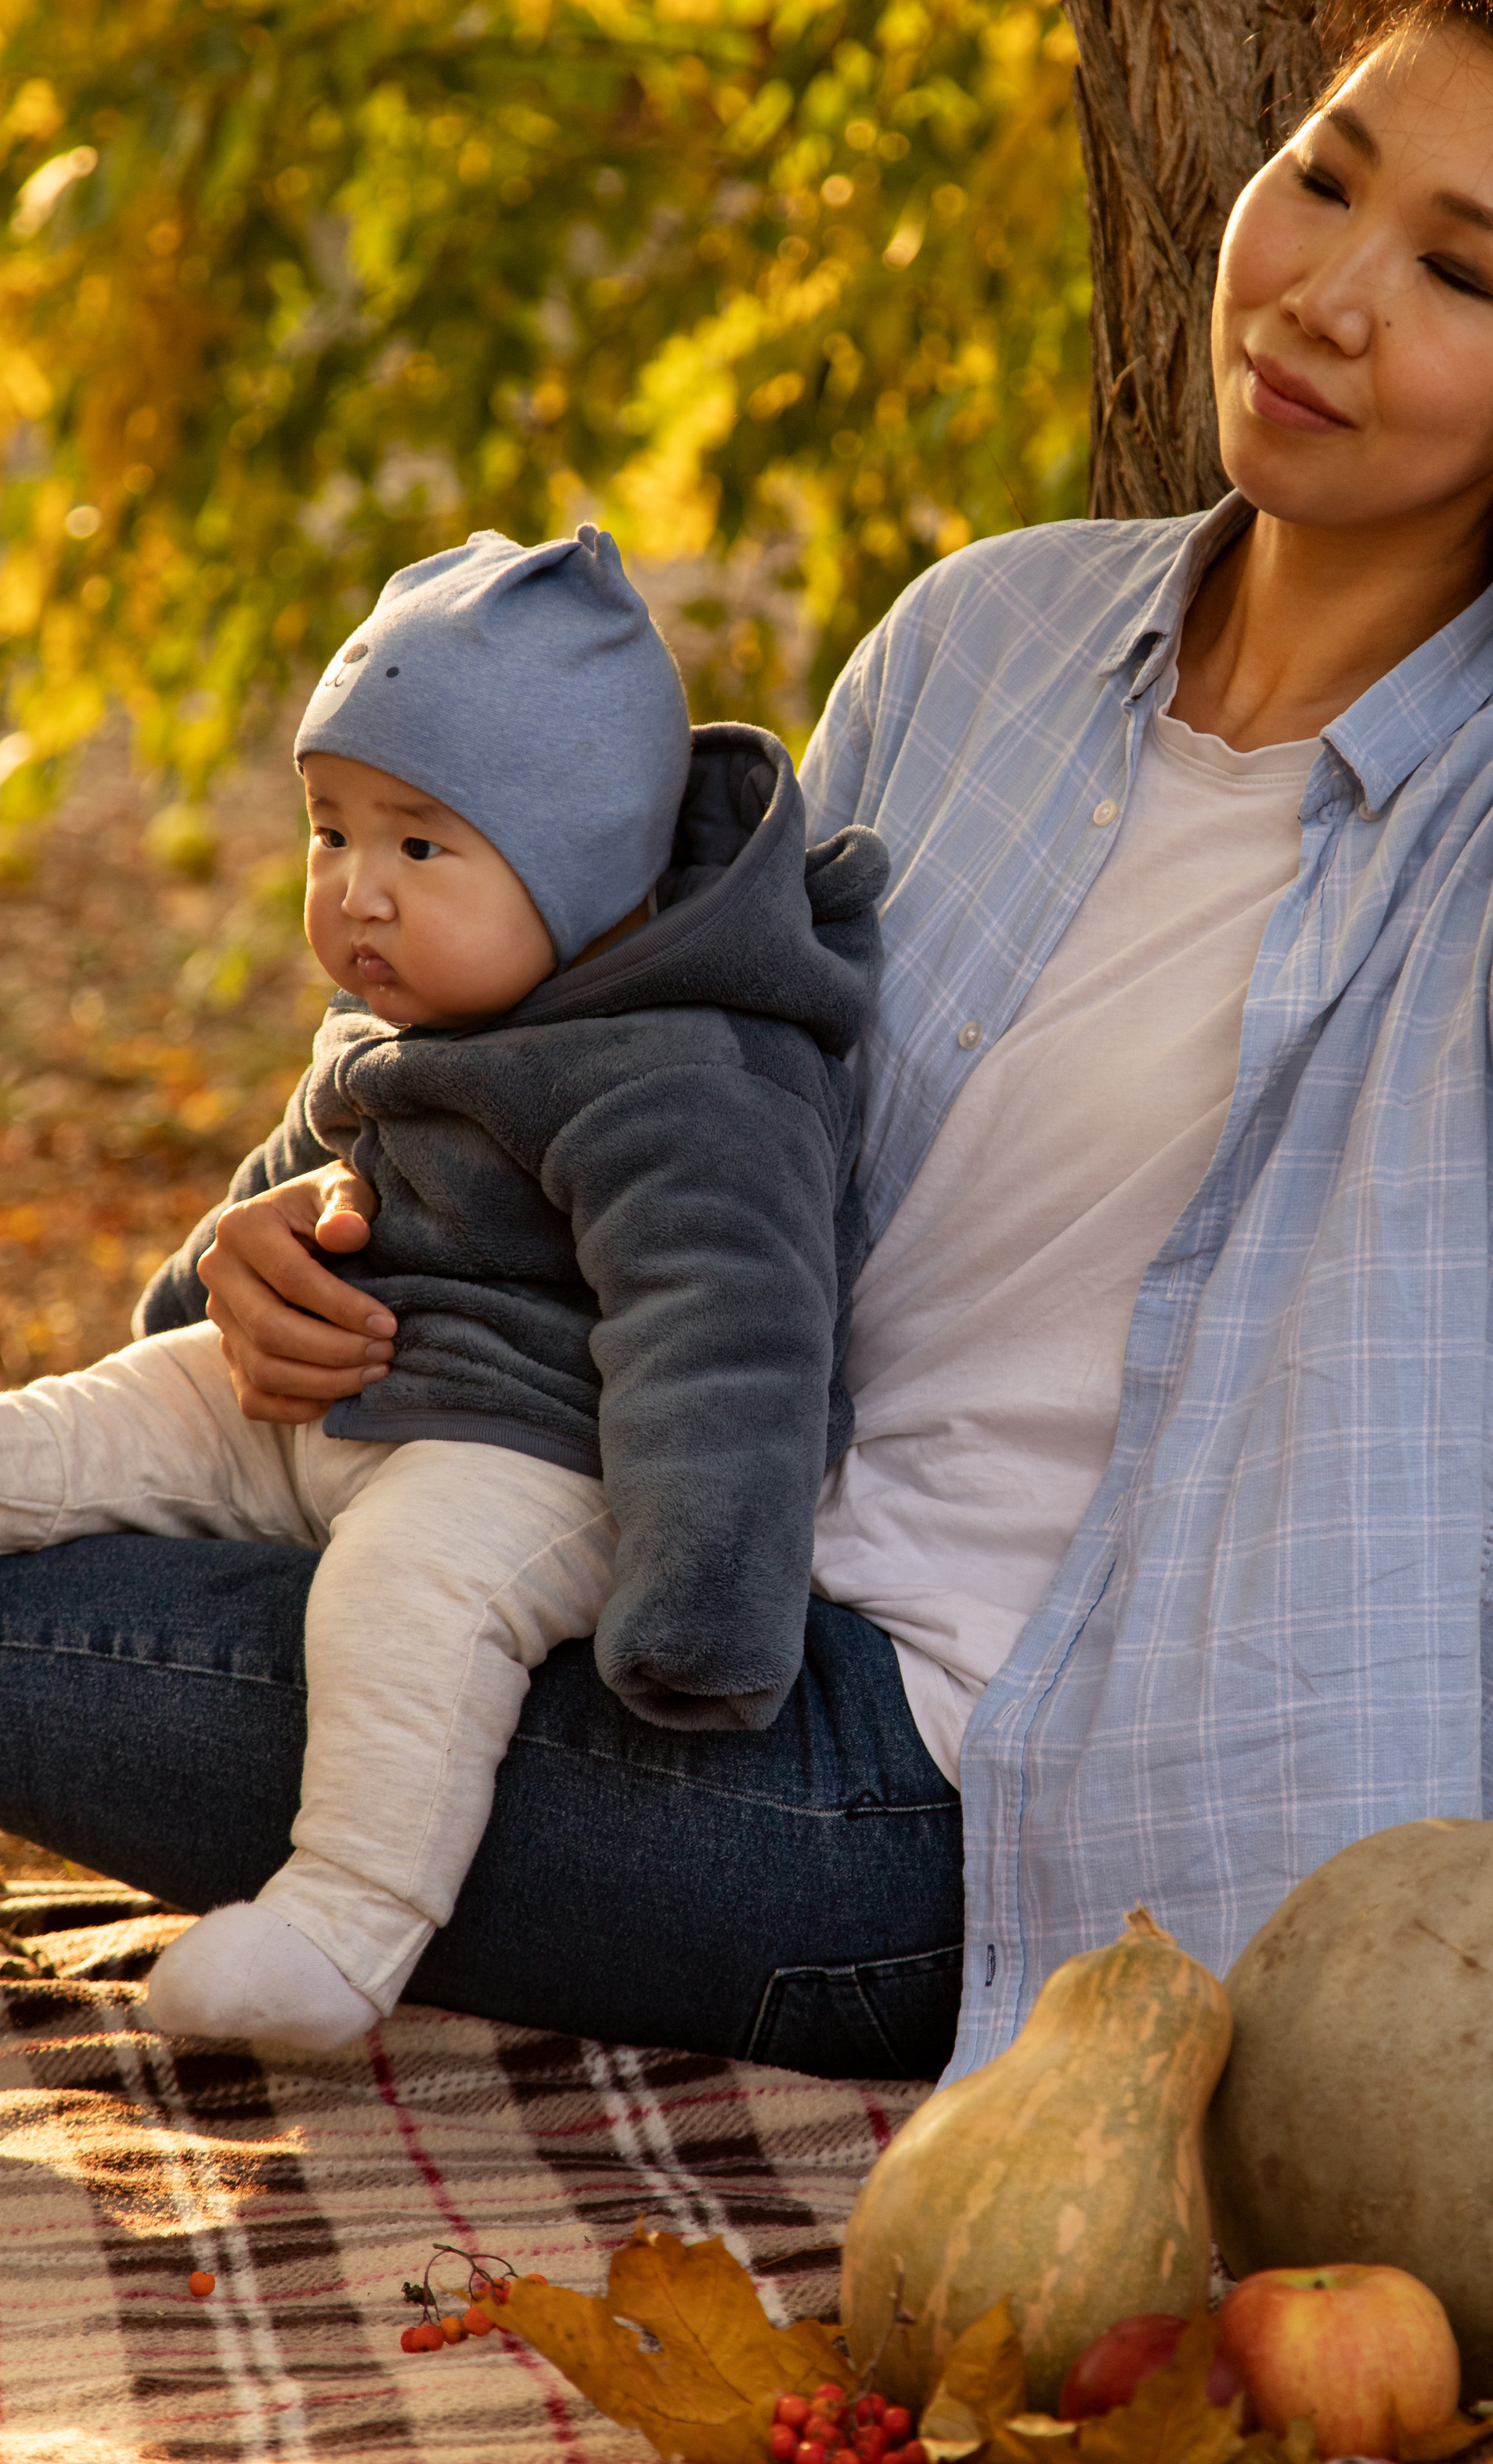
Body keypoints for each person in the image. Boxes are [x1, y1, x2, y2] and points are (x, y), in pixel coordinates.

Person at [0, 0, 1493, 2086]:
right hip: (652, 1585)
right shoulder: (992, 634)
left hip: (964, 1809)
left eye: (1465, 274)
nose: (1326, 292)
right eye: (1326, 173)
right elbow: (647, 1053)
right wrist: (300, 1248)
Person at [0, 525, 881, 2049]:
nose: (358, 893)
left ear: (586, 864)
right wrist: (216, 1274)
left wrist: (702, 1601)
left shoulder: (683, 1069)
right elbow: (272, 1197)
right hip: (326, 1382)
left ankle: (338, 1928)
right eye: (329, 833)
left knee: (409, 1603)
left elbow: (727, 1337)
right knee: (78, 1427)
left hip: (523, 1449)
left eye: (418, 844)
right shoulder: (393, 1015)